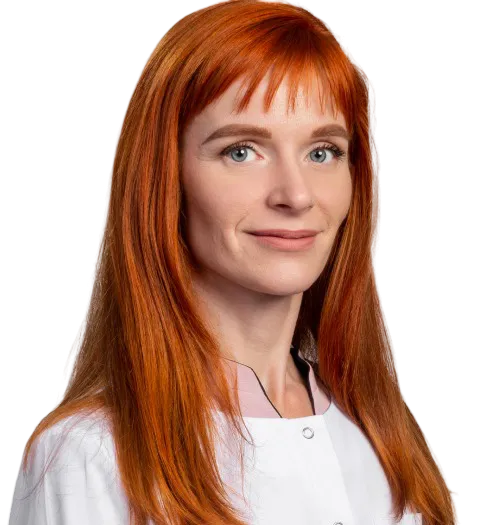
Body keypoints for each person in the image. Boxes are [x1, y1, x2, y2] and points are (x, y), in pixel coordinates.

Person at [9, 1, 460, 524]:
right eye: (241, 151)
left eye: (322, 152)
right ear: (165, 177)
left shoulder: (391, 442)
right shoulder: (91, 456)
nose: (296, 195)